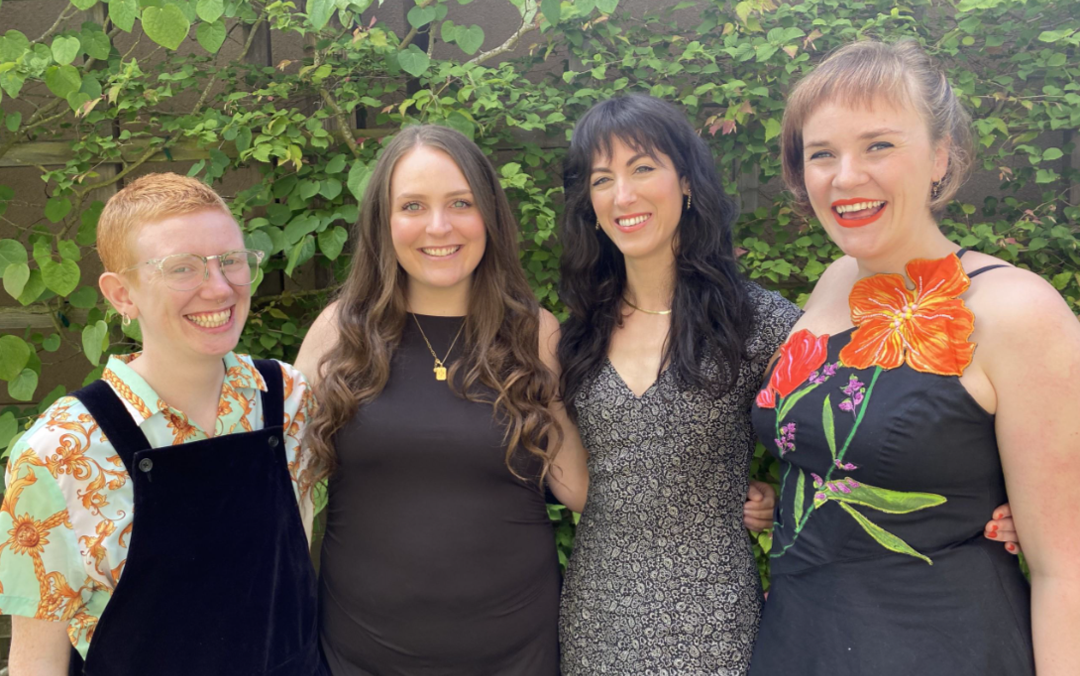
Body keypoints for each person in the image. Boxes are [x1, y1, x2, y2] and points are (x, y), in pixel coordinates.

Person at [554, 94, 1022, 675]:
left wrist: (1010, 501)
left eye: (643, 167)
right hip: (597, 608)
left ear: (687, 184)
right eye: (603, 179)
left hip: (715, 617)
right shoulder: (578, 332)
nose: (623, 194)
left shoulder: (759, 323)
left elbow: (847, 415)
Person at [749, 40, 1079, 675]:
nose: (846, 177)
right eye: (822, 154)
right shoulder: (836, 281)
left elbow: (1067, 571)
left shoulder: (1015, 312)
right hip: (797, 643)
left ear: (941, 156)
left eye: (879, 145)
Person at [0, 173, 326, 675]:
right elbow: (36, 662)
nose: (218, 288)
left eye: (232, 261)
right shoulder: (59, 452)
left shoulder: (287, 400)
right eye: (182, 269)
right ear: (121, 295)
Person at [295, 124, 587, 675]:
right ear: (383, 222)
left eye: (461, 202)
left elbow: (580, 489)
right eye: (412, 205)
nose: (438, 226)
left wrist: (716, 491)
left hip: (514, 653)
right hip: (360, 652)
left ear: (490, 217)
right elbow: (284, 491)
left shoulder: (535, 334)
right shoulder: (339, 333)